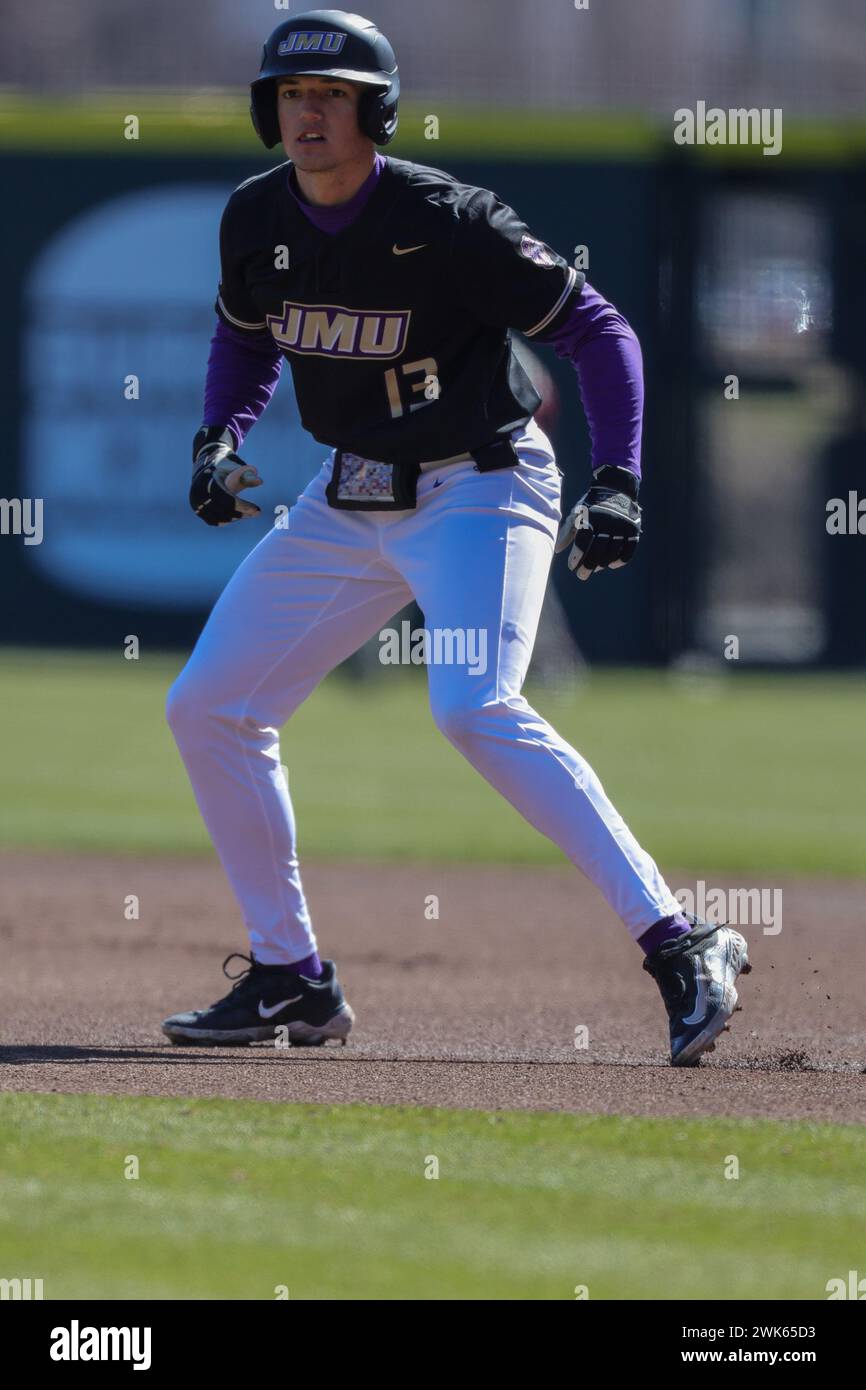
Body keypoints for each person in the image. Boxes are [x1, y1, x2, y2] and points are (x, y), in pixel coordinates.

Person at [163, 10, 751, 1065]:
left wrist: (616, 479)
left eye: (332, 95)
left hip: (478, 487)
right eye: (293, 96)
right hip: (345, 499)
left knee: (471, 704)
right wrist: (219, 437)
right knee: (209, 705)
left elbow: (599, 332)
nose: (309, 113)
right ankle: (292, 977)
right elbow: (244, 337)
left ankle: (680, 938)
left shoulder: (447, 218)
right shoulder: (256, 218)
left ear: (374, 111)